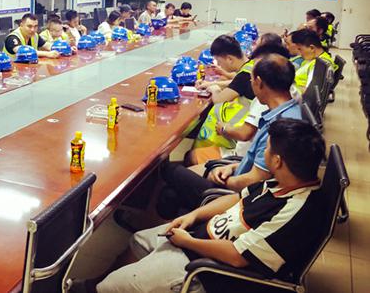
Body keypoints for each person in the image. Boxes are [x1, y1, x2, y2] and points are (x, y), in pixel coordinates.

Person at [90, 118, 325, 293]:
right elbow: (236, 199)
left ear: (277, 161)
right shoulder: (282, 181)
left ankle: (106, 286)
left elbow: (238, 257)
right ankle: (101, 283)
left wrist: (188, 242)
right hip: (198, 238)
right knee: (138, 240)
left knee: (109, 288)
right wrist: (193, 216)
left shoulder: (298, 212)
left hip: (208, 271)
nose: (263, 152)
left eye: (267, 148)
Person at [157, 53, 301, 220]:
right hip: (237, 170)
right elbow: (261, 166)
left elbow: (256, 179)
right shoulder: (289, 110)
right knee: (170, 193)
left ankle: (183, 225)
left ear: (259, 82)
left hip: (238, 193)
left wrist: (226, 181)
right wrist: (232, 167)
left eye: (252, 80)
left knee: (169, 170)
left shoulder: (279, 127)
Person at [191, 35, 255, 162]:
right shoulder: (251, 65)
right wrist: (211, 83)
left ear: (229, 59)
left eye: (219, 62)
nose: (219, 65)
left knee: (191, 156)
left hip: (235, 139)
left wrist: (214, 88)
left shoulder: (244, 76)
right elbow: (235, 82)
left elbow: (219, 99)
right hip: (244, 134)